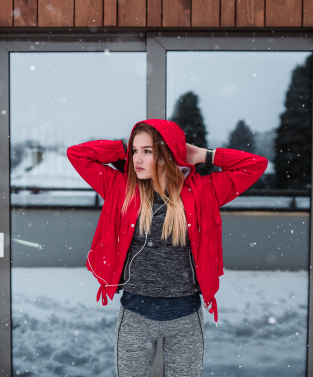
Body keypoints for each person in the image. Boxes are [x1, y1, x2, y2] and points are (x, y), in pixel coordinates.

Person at [67, 119, 268, 377]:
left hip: (185, 317)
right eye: (135, 151)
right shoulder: (121, 189)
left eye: (147, 151)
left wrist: (204, 155)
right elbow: (78, 154)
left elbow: (255, 166)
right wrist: (123, 147)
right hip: (135, 315)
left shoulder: (203, 193)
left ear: (167, 155)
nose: (137, 158)